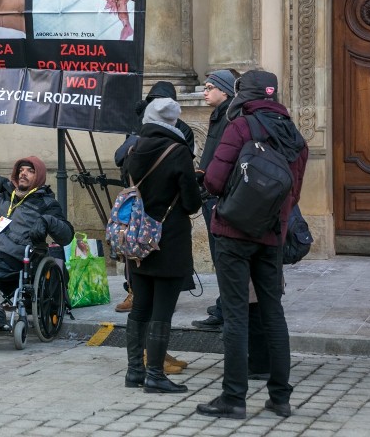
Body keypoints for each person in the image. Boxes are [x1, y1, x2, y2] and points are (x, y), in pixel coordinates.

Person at [196, 70, 308, 419]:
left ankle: (233, 398)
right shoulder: (295, 135)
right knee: (273, 312)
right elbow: (293, 192)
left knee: (235, 314)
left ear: (246, 94)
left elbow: (213, 182)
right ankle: (280, 398)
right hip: (272, 234)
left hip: (233, 232)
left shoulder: (240, 127)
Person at [121, 98, 202, 393]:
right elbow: (192, 202)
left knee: (140, 307)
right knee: (162, 312)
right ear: (173, 121)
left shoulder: (133, 149)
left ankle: (134, 372)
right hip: (169, 241)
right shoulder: (178, 151)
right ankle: (155, 374)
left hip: (138, 242)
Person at [0, 156, 74, 330]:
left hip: (13, 260)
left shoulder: (46, 203)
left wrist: (47, 221)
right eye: (20, 170)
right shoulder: (3, 198)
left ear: (39, 176)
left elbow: (66, 235)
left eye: (29, 171)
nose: (23, 174)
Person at [113, 81, 195, 313]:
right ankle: (135, 293)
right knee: (137, 258)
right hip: (142, 204)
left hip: (165, 207)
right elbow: (123, 160)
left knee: (156, 265)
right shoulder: (139, 129)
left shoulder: (182, 131)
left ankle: (154, 304)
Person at [191, 69, 239, 332]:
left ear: (225, 91)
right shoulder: (221, 114)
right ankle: (224, 305)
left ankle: (226, 311)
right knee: (220, 256)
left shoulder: (231, 116)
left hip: (220, 197)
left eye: (210, 87)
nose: (205, 91)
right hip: (212, 194)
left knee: (224, 257)